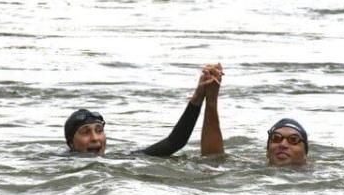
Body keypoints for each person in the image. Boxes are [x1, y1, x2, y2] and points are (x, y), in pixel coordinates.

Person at [63, 65, 219, 157]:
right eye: (85, 132)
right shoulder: (56, 163)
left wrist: (198, 97)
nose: (95, 138)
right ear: (71, 144)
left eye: (99, 130)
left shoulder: (120, 159)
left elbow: (174, 142)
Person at [199, 64, 309, 167]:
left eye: (293, 139)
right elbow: (213, 159)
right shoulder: (252, 168)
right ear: (267, 152)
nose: (283, 144)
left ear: (305, 154)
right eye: (276, 138)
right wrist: (211, 99)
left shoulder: (320, 171)